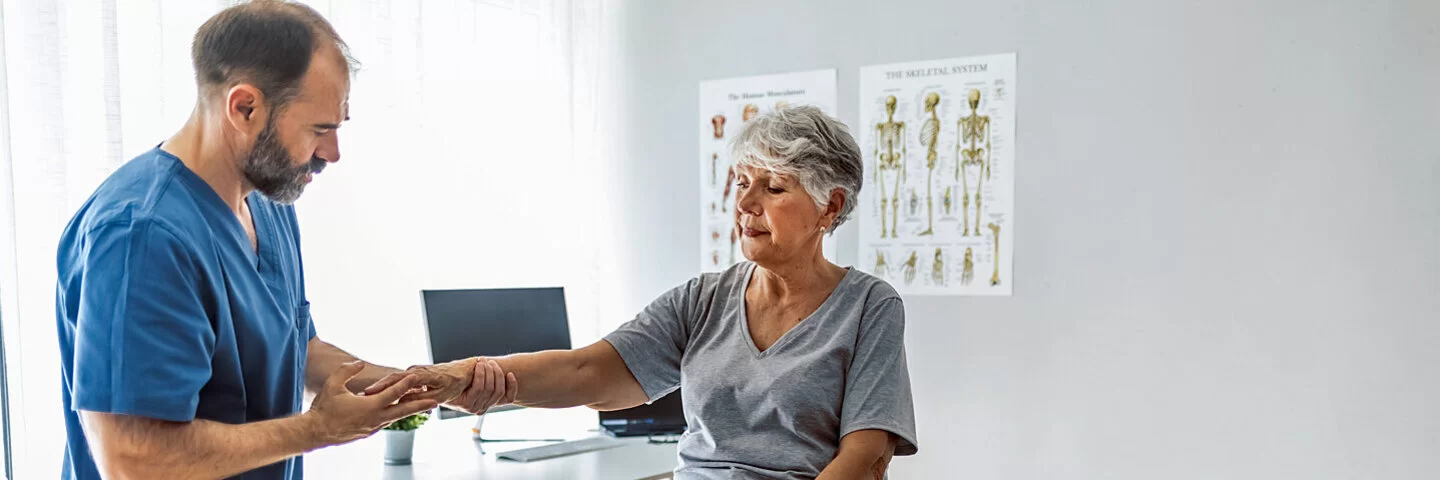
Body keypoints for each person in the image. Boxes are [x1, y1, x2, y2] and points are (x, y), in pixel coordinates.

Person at [53, 2, 512, 479]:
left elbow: (298, 350)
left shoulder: (269, 202)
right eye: (321, 129)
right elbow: (135, 462)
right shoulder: (141, 235)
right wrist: (317, 430)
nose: (333, 153)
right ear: (244, 107)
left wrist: (422, 386)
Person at [380, 106, 918, 479]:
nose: (746, 203)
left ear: (830, 206)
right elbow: (588, 374)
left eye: (773, 187)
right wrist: (464, 376)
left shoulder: (870, 306)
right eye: (741, 182)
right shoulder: (702, 300)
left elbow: (866, 459)